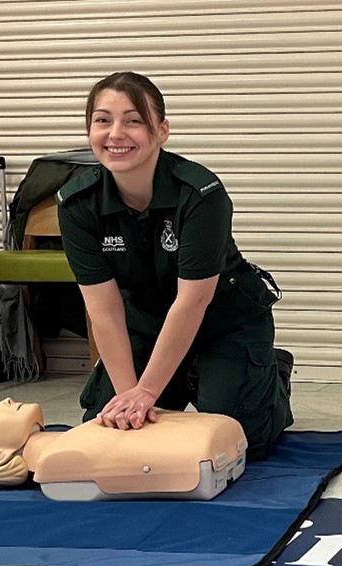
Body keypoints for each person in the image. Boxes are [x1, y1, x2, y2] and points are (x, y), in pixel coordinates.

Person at [57, 72, 293, 460]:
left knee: (243, 440)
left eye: (133, 120)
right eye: (102, 120)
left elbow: (192, 302)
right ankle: (182, 377)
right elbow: (104, 309)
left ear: (161, 131)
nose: (116, 133)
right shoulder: (77, 203)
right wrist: (128, 396)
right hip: (147, 322)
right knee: (106, 420)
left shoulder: (200, 194)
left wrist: (147, 392)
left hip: (223, 320)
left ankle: (272, 374)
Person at [0, 398, 247, 500]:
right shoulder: (59, 460)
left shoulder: (70, 441)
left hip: (213, 440)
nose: (4, 402)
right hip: (206, 449)